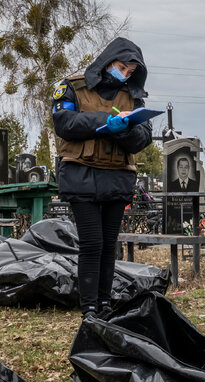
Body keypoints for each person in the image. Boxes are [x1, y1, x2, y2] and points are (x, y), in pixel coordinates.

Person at [52, 36, 152, 319]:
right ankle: (89, 309)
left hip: (117, 177)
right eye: (122, 67)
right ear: (108, 61)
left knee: (110, 245)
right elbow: (64, 123)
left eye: (131, 71)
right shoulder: (72, 86)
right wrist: (104, 122)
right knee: (92, 242)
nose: (125, 74)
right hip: (81, 173)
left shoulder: (133, 97)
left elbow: (143, 137)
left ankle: (104, 305)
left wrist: (124, 128)